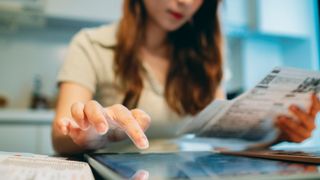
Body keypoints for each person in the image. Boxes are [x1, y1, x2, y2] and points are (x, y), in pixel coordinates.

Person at [52, 0, 319, 154]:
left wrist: (278, 135)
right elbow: (60, 135)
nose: (187, 2)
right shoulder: (90, 44)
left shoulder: (204, 57)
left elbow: (219, 144)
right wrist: (94, 133)